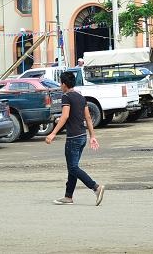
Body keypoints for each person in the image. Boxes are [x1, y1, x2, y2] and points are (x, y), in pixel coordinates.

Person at [45, 71, 104, 206]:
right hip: (82, 136)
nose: (60, 86)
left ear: (64, 84)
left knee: (73, 168)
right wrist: (92, 136)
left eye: (61, 83)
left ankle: (96, 187)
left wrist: (53, 133)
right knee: (73, 167)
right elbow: (88, 118)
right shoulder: (80, 97)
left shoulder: (66, 97)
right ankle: (68, 196)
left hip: (73, 138)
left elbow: (65, 116)